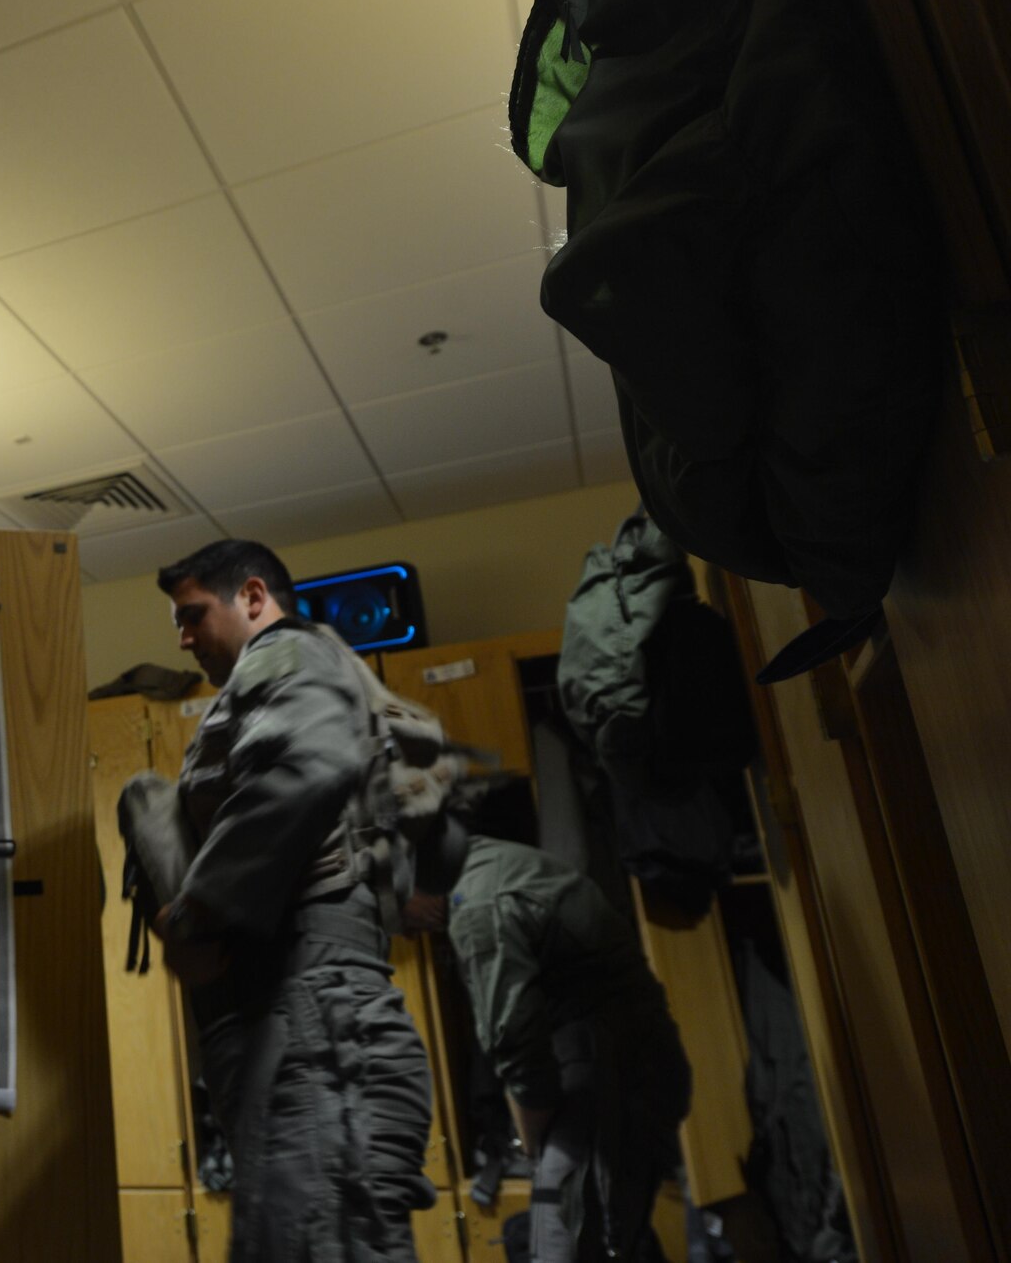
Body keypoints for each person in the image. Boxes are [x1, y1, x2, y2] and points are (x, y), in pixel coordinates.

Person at [150, 539, 437, 1263]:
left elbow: (309, 763)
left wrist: (196, 911)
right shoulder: (321, 672)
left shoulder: (286, 652)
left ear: (252, 597)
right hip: (318, 1016)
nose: (183, 639)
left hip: (319, 1020)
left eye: (192, 616)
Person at [408, 812, 691, 1263]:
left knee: (568, 1242)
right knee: (607, 1236)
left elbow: (519, 1048)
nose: (411, 926)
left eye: (402, 909)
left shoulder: (478, 907)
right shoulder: (484, 861)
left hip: (609, 1071)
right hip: (632, 1067)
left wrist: (529, 1137)